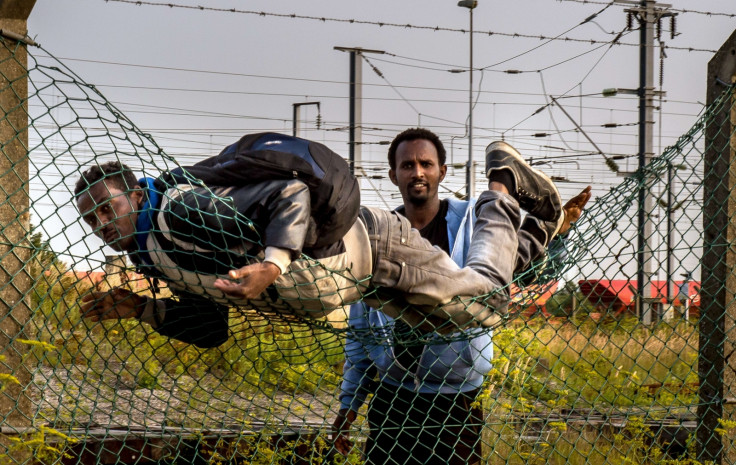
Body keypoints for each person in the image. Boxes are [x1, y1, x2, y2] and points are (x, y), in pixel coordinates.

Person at [75, 131, 564, 347]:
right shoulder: (154, 256)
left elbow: (286, 192)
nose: (99, 223)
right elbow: (212, 330)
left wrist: (272, 264)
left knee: (487, 305)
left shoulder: (178, 210)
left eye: (106, 207)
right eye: (89, 218)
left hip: (374, 248)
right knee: (453, 323)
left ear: (135, 195)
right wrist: (141, 310)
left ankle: (500, 183)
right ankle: (540, 229)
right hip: (360, 278)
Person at [332, 128, 591, 464]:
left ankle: (520, 199)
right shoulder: (377, 241)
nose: (418, 172)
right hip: (393, 398)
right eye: (408, 165)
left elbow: (531, 274)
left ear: (442, 171)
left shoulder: (474, 222)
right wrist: (348, 406)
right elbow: (360, 334)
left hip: (457, 399)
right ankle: (515, 193)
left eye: (426, 163)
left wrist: (557, 238)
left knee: (488, 278)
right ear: (393, 175)